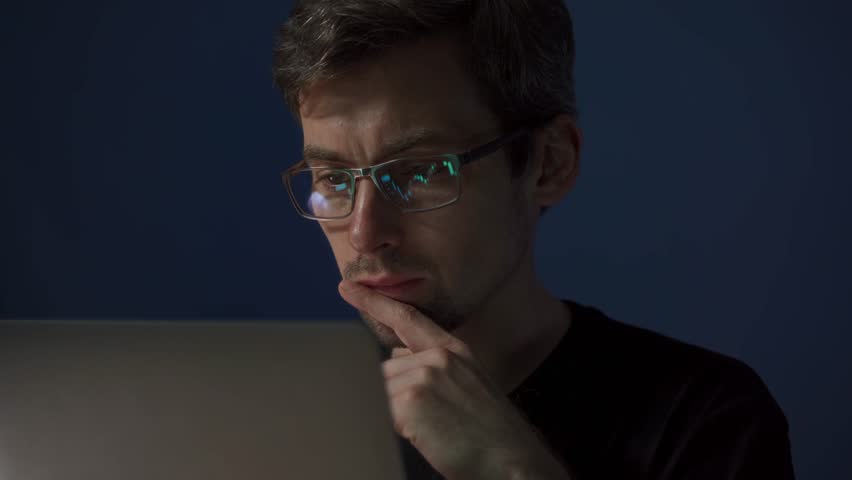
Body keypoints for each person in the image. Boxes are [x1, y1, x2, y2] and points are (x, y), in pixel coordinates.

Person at [272, 1, 795, 478]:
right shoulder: (278, 412)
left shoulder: (705, 419)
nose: (365, 234)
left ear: (550, 164)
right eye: (334, 179)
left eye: (421, 172)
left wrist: (512, 470)